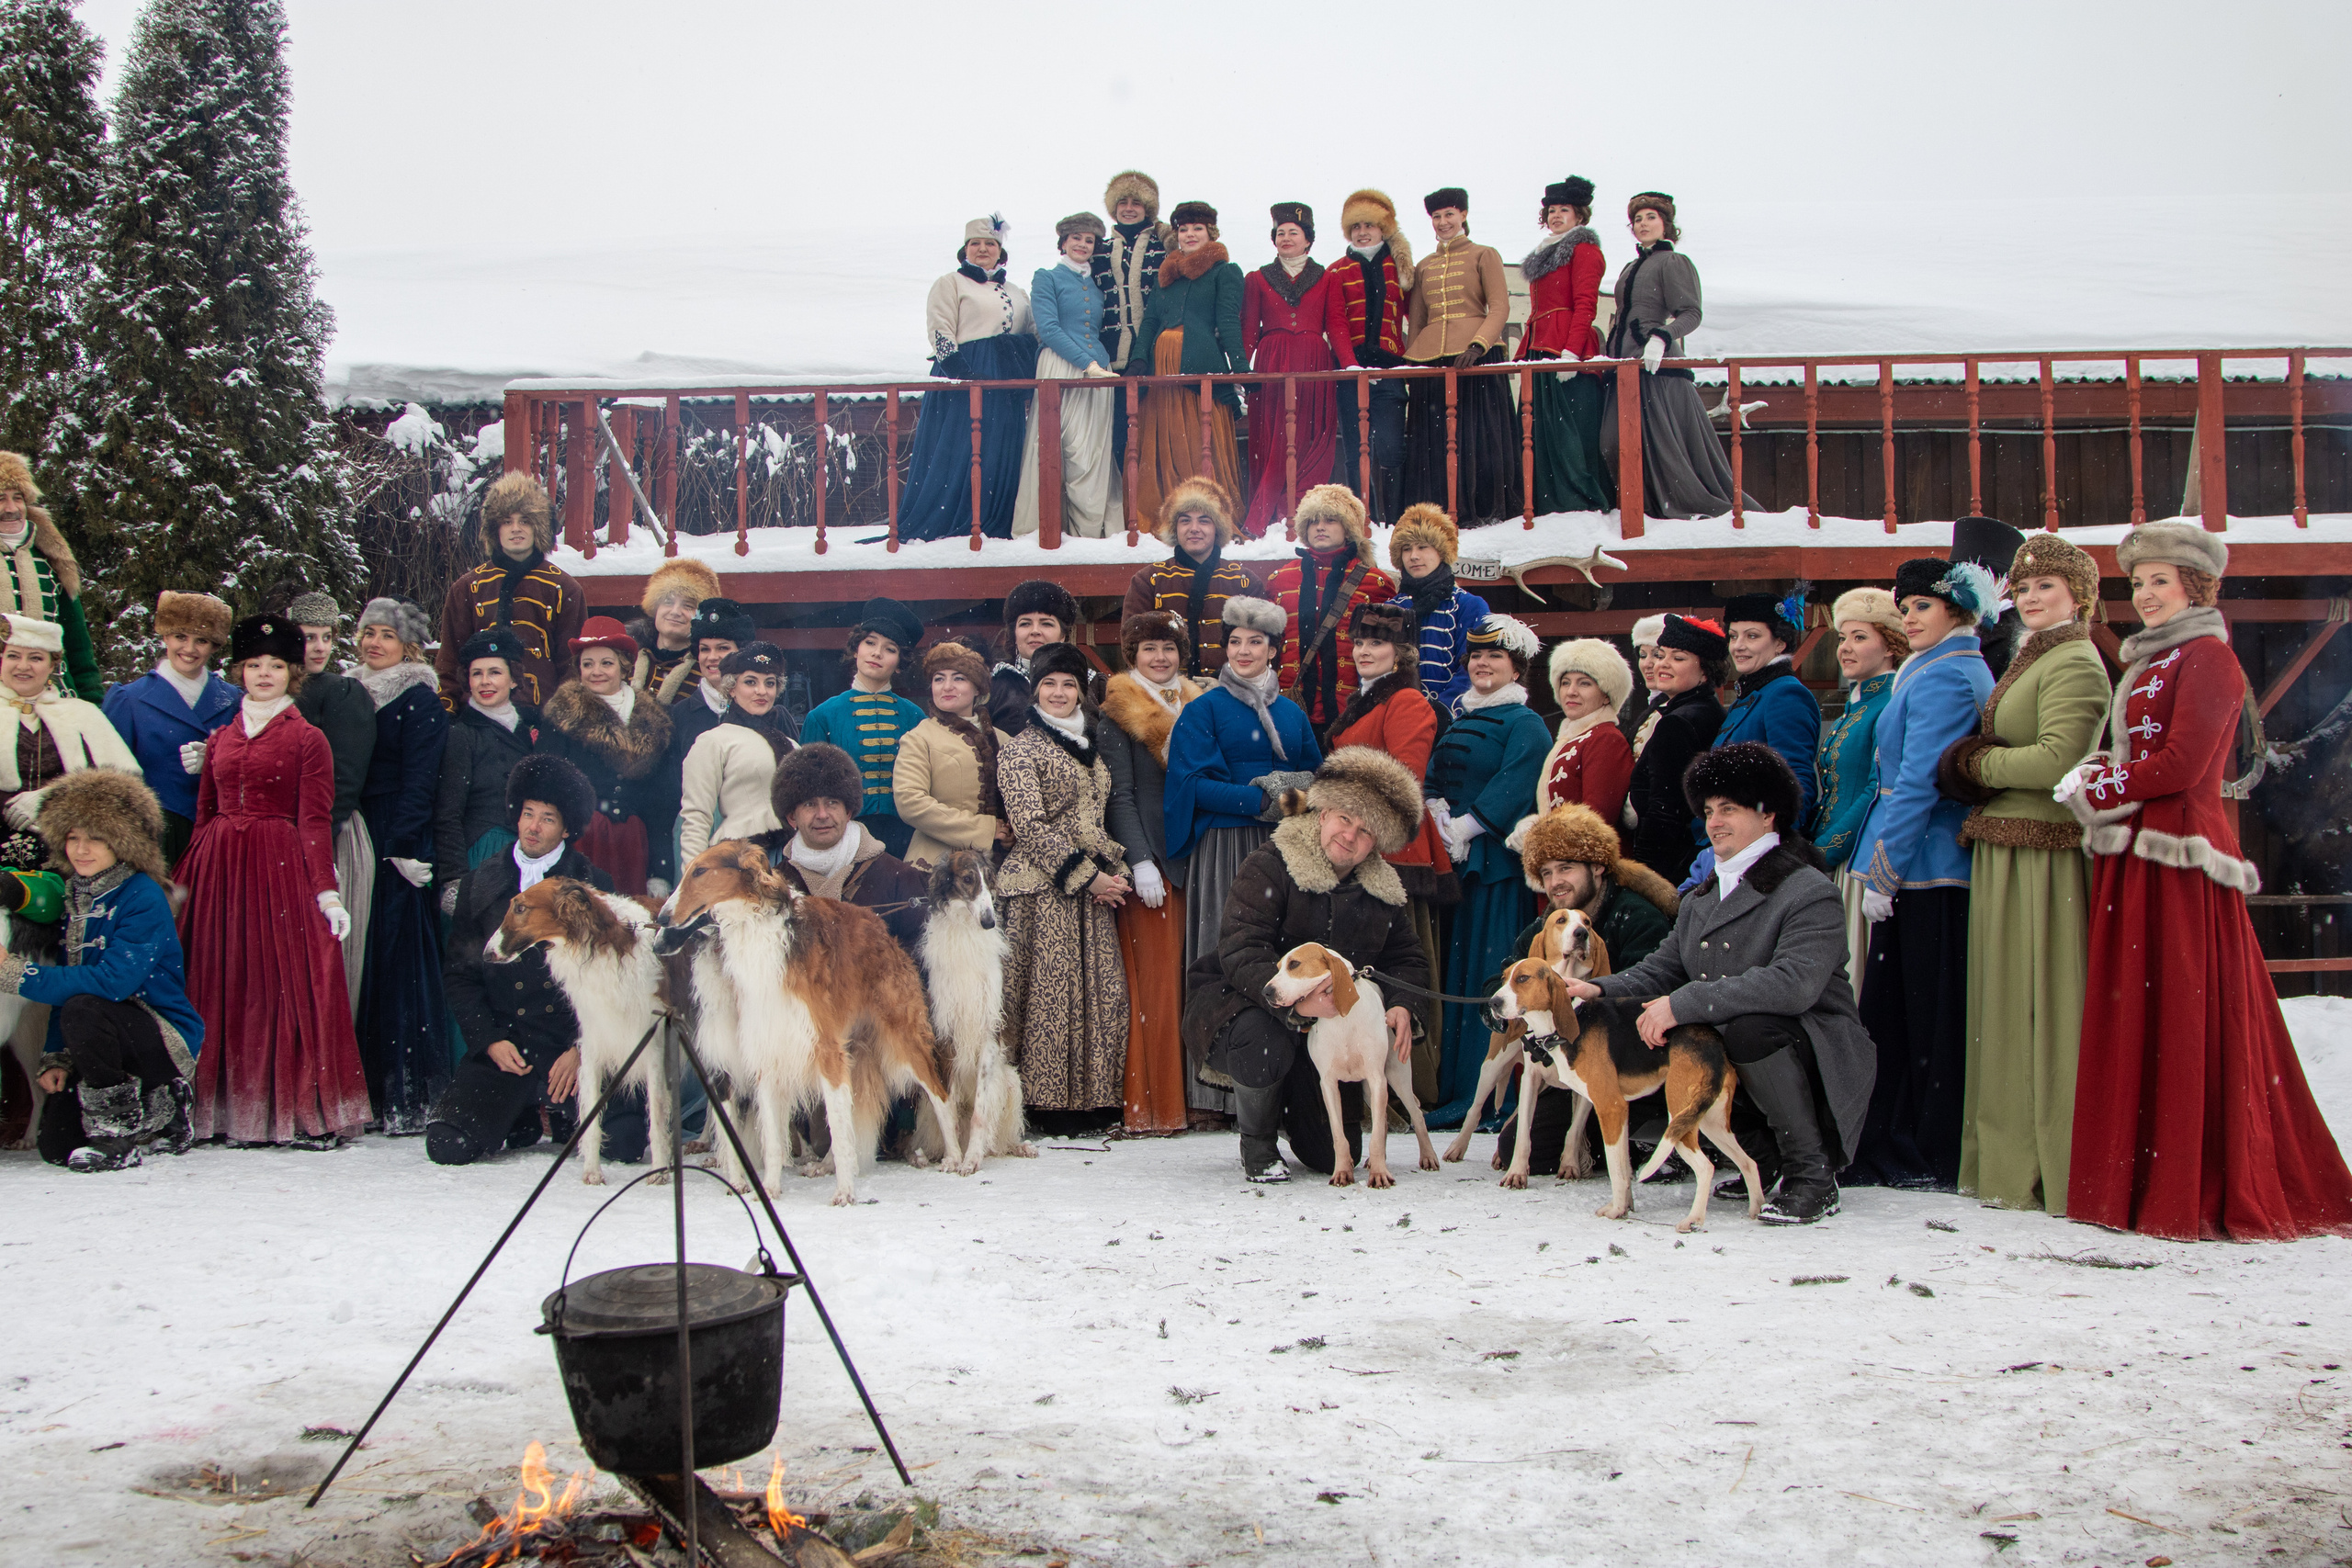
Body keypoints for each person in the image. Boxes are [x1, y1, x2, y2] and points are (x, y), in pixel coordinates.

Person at [2061, 523, 2352, 1240]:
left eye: (2162, 580)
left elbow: (2187, 765)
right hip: (2139, 851)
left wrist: (2100, 789)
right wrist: (2100, 773)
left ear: (2195, 586)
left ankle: (2190, 1179)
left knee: (2186, 1015)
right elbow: (2145, 756)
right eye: (2140, 582)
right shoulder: (2149, 662)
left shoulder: (2212, 659)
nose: (2148, 593)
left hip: (2184, 856)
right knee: (2143, 1011)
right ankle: (2143, 1177)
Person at [1569, 743, 1874, 1224]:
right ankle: (1763, 1155)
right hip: (1735, 1042)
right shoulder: (1702, 898)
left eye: (1729, 809)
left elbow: (1793, 986)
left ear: (1768, 812)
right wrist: (1600, 989)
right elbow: (1664, 967)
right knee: (1677, 1043)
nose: (1714, 822)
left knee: (1748, 1029)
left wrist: (1684, 1003)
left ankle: (1811, 1172)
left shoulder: (1809, 890)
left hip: (1813, 1046)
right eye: (1709, 811)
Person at [1937, 534, 2109, 1215]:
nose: (2034, 597)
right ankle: (2006, 1161)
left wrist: (1975, 765)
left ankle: (2051, 1161)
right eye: (2026, 587)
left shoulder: (2076, 662)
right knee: (2005, 1010)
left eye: (2049, 587)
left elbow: (2054, 762)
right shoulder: (2030, 656)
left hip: (2044, 855)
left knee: (2043, 1009)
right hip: (2008, 848)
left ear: (2079, 597)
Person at [1181, 748, 1429, 1181]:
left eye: (1366, 831)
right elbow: (1241, 948)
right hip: (1248, 1001)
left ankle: (1304, 1113)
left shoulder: (1382, 890)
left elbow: (1406, 959)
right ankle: (1258, 1147)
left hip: (1332, 1033)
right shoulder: (1271, 863)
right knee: (1263, 1041)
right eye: (1344, 819)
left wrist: (1404, 1004)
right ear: (1323, 812)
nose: (1350, 837)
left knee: (1325, 1155)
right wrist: (1298, 1006)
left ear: (1379, 842)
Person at [178, 614, 369, 1148]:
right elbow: (204, 813)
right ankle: (220, 1109)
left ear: (292, 674)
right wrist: (185, 880)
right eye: (254, 665)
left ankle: (304, 1111)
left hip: (279, 867)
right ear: (239, 671)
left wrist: (325, 890)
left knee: (284, 985)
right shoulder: (220, 739)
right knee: (219, 980)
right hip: (218, 870)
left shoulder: (308, 740)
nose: (264, 674)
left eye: (277, 666)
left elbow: (314, 819)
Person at [1847, 557, 1996, 1191]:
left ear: (1958, 610)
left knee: (1921, 1017)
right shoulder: (1934, 667)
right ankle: (1893, 1141)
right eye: (1904, 608)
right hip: (1917, 862)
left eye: (1922, 607)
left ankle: (1917, 1147)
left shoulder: (1949, 676)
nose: (1910, 617)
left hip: (1929, 866)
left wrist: (1886, 870)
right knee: (1897, 1013)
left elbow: (1916, 782)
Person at [428, 754, 645, 1168]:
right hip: (508, 1042)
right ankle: (523, 1110)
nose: (533, 826)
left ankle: (556, 1111)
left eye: (547, 818)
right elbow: (460, 976)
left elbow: (617, 983)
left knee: (624, 1144)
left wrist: (584, 1048)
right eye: (528, 814)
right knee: (447, 1145)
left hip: (573, 1043)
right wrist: (489, 1041)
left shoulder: (593, 884)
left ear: (566, 828)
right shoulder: (480, 882)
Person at [1164, 596, 1323, 1117]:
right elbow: (1190, 783)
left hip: (1281, 850)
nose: (1244, 650)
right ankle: (1216, 1091)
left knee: (1278, 955)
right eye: (1235, 641)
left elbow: (1318, 785)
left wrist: (1289, 799)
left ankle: (1277, 1084)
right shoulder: (1203, 709)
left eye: (1256, 642)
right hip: (1226, 846)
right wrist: (1258, 799)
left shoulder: (1292, 712)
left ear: (1274, 650)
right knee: (1223, 952)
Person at [6, 770, 202, 1169]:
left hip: (159, 1036)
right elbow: (69, 984)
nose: (81, 849)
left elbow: (111, 983)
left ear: (122, 842)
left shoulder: (143, 894)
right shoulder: (78, 894)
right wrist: (57, 1058)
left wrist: (16, 973)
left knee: (85, 1004)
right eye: (73, 837)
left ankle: (119, 1132)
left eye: (95, 838)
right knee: (57, 1147)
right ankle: (158, 1111)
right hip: (99, 1033)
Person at [1490, 802, 1679, 1175]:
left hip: (1632, 1059)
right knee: (1516, 1149)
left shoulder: (1638, 916)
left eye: (1566, 868)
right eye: (1546, 872)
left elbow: (1653, 986)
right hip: (1565, 1065)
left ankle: (1651, 1129)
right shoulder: (1544, 926)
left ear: (1597, 867)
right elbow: (1501, 981)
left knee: (1571, 1135)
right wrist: (1510, 1017)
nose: (1555, 881)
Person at [997, 644, 1131, 1128]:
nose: (1059, 693)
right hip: (1040, 888)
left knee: (1098, 996)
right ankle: (1043, 1106)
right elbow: (1030, 826)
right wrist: (1088, 877)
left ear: (1081, 691)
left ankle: (1094, 1101)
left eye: (1068, 684)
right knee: (1049, 998)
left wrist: (1116, 871)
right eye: (1049, 684)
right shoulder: (1021, 749)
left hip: (1090, 887)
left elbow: (1092, 818)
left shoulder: (1090, 746)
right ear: (1036, 690)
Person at [1325, 602, 1456, 1098]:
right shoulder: (1367, 700)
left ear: (1401, 653)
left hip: (1392, 849)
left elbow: (1405, 781)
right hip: (1360, 845)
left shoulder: (1406, 702)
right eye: (1359, 642)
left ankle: (1411, 1087)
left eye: (1376, 643)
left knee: (1398, 965)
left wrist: (1350, 812)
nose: (1363, 651)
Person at [1424, 614, 1548, 1127]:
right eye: (1476, 656)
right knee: (1461, 971)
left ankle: (1494, 1098)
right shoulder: (1462, 716)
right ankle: (1457, 1090)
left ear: (1516, 668)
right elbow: (1435, 773)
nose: (1483, 664)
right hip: (1457, 864)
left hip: (1495, 866)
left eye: (1495, 656)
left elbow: (1517, 783)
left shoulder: (1526, 724)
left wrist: (1465, 829)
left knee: (1491, 975)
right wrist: (1435, 814)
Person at [349, 598, 451, 1135]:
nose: (375, 644)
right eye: (368, 633)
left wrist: (403, 843)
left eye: (387, 635)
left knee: (395, 954)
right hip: (352, 827)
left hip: (396, 830)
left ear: (407, 645)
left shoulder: (418, 697)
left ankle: (402, 1092)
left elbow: (420, 777)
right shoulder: (347, 689)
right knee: (357, 952)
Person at [1098, 610, 1203, 1134]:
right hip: (1154, 865)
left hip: (1199, 859)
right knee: (1158, 989)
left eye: (1169, 648)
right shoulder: (1119, 712)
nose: (1160, 658)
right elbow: (1120, 795)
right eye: (1148, 649)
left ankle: (1201, 1098)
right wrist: (1138, 859)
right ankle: (1158, 1104)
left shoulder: (1200, 704)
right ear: (1132, 657)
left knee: (1195, 982)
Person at [1597, 193, 1749, 520]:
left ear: (1666, 223)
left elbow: (1691, 313)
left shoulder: (1673, 262)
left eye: (1650, 217)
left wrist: (1662, 337)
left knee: (1664, 449)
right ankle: (1646, 510)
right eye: (1637, 219)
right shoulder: (1630, 266)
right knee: (1612, 443)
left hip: (1657, 367)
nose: (1643, 224)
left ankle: (1683, 508)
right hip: (1622, 366)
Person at [898, 216, 1040, 543]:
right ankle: (954, 523)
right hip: (964, 377)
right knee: (962, 449)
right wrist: (964, 376)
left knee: (1000, 450)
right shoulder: (950, 283)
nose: (982, 249)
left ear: (1000, 251)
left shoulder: (1016, 291)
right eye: (975, 243)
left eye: (990, 244)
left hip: (1005, 384)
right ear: (965, 249)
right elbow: (940, 331)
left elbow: (1033, 332)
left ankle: (995, 520)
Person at [1807, 588, 1908, 993]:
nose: (1845, 648)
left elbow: (1877, 787)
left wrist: (1827, 849)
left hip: (1857, 861)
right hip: (1832, 859)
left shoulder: (1889, 703)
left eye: (1860, 637)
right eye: (1843, 638)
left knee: (1851, 978)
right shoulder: (1858, 704)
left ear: (1891, 646)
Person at [1240, 202, 1359, 538]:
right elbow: (1249, 329)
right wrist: (1239, 369)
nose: (1286, 238)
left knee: (1313, 437)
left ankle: (1302, 513)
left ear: (1308, 240)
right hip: (1272, 365)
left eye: (1294, 232)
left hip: (1313, 365)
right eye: (1280, 233)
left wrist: (1350, 363)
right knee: (1275, 439)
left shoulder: (1327, 278)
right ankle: (1269, 514)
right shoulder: (1257, 278)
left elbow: (1336, 324)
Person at [1400, 188, 1519, 525]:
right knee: (1433, 440)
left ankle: (1479, 509)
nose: (1442, 222)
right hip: (1432, 361)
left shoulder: (1485, 254)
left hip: (1474, 358)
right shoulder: (1424, 265)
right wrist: (1413, 359)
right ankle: (1437, 510)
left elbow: (1499, 307)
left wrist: (1479, 345)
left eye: (1449, 214)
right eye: (1436, 217)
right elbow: (1419, 321)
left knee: (1476, 436)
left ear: (1463, 215)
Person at [286, 591, 379, 1015]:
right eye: (308, 637)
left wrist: (319, 840)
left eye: (326, 636)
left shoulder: (343, 693)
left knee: (331, 949)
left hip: (332, 831)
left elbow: (345, 777)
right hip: (283, 832)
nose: (319, 647)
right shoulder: (272, 691)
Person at [1127, 200, 1247, 525]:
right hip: (1161, 367)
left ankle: (1210, 516)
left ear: (1211, 233)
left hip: (1199, 365)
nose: (1190, 235)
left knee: (1198, 443)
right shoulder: (1167, 275)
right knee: (1161, 444)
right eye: (1183, 229)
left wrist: (1241, 367)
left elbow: (1228, 321)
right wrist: (1138, 359)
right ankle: (1168, 517)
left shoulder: (1225, 271)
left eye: (1198, 229)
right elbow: (1150, 321)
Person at [542, 616, 677, 897]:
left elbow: (661, 805)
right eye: (587, 664)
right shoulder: (561, 717)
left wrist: (659, 872)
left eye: (606, 663)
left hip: (633, 845)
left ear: (624, 666)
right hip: (580, 843)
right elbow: (548, 791)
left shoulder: (656, 721)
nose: (596, 672)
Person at [102, 591, 236, 867]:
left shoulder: (234, 700)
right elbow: (112, 782)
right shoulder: (129, 699)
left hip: (218, 834)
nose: (189, 649)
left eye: (201, 641)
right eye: (180, 637)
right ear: (164, 637)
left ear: (214, 646)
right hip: (155, 836)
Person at [756, 743, 930, 954]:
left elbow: (919, 960)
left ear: (848, 811)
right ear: (792, 817)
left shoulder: (899, 878)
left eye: (832, 802)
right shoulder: (777, 885)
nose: (822, 814)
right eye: (810, 804)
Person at [1014, 213, 1124, 539]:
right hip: (1061, 366)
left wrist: (1100, 365)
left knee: (1092, 454)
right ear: (1063, 242)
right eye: (1076, 238)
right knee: (1060, 447)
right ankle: (1049, 530)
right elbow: (1048, 329)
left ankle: (1088, 534)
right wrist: (1085, 364)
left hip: (1099, 372)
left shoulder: (1098, 283)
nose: (1082, 244)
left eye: (1089, 240)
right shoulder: (1047, 277)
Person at [435, 471, 583, 707]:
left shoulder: (564, 588)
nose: (516, 528)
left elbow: (572, 667)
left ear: (539, 527)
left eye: (525, 520)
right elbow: (450, 661)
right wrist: (450, 714)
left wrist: (562, 720)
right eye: (507, 521)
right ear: (495, 529)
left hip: (543, 716)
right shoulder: (467, 588)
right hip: (478, 718)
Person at [799, 598, 926, 858]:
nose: (877, 653)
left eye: (889, 649)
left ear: (900, 662)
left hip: (906, 836)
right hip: (844, 837)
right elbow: (808, 792)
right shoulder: (822, 716)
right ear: (856, 649)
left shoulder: (915, 717)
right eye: (870, 643)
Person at [1264, 484, 1396, 734]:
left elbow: (1390, 653)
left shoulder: (1375, 583)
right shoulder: (1280, 579)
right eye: (1313, 521)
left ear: (1348, 528)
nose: (1320, 526)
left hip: (1353, 712)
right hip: (1289, 707)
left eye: (1330, 519)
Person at [1520, 178, 1611, 513]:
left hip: (1566, 353)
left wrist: (1571, 353)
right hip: (1539, 349)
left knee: (1571, 437)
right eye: (1552, 210)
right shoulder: (1545, 252)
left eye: (1564, 210)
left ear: (1579, 216)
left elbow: (1586, 305)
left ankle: (1581, 506)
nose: (1556, 215)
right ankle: (1548, 505)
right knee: (1540, 435)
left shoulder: (1585, 251)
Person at [433, 626, 543, 904]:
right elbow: (448, 813)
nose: (485, 682)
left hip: (528, 851)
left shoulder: (530, 728)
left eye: (495, 672)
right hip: (481, 852)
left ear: (514, 679)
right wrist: (454, 878)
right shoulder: (462, 734)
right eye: (476, 674)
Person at [1326, 190, 1416, 523]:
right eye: (1356, 226)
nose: (1363, 232)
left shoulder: (1401, 268)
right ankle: (1363, 518)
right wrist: (1353, 365)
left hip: (1391, 369)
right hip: (1351, 372)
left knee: (1392, 447)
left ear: (1384, 228)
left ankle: (1395, 519)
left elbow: (1413, 317)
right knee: (1354, 450)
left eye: (1370, 225)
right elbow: (1336, 322)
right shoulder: (1336, 271)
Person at [1623, 614, 1728, 884]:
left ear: (1705, 670)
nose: (1662, 665)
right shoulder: (1706, 710)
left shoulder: (1679, 722)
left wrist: (1642, 876)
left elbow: (1664, 811)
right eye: (1660, 655)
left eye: (1678, 658)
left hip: (1672, 865)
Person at [1712, 590, 1823, 841]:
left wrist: (1775, 847)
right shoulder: (1754, 693)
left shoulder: (1785, 695)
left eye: (1752, 636)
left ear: (1780, 643)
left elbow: (1796, 779)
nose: (1738, 646)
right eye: (1733, 636)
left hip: (1758, 846)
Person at [1121, 477, 1257, 679]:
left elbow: (1260, 646)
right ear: (1175, 527)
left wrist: (1226, 685)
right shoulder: (1148, 580)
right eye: (1185, 520)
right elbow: (1132, 646)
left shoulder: (1244, 580)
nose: (1194, 528)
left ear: (1217, 528)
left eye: (1204, 520)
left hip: (1232, 696)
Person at [894, 639, 1010, 871]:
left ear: (977, 687)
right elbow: (910, 802)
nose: (947, 687)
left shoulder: (1005, 740)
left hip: (1000, 869)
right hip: (936, 866)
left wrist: (1010, 833)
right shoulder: (919, 738)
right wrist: (985, 830)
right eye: (939, 679)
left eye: (958, 678)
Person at [677, 642, 795, 859]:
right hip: (738, 860)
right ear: (731, 688)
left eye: (770, 683)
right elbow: (697, 817)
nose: (762, 691)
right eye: (750, 682)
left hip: (793, 858)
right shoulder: (713, 741)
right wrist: (696, 880)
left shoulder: (791, 745)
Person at [0, 454, 100, 700]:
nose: (11, 509)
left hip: (54, 700)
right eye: (1, 499)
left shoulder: (51, 558)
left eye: (18, 498)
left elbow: (78, 646)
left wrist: (93, 703)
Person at [1385, 502, 1489, 715]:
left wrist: (1440, 713)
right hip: (1399, 719)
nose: (1414, 556)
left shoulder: (1469, 606)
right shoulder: (1389, 609)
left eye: (1422, 547)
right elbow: (1375, 670)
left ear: (1442, 551)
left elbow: (1474, 668)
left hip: (1454, 724)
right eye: (1407, 548)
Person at [1525, 637, 1635, 829]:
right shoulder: (1574, 738)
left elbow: (1597, 820)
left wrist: (1541, 835)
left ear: (1606, 696)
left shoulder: (1606, 739)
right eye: (1566, 683)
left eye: (1584, 683)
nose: (1571, 691)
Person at [1092, 170, 1173, 376]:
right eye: (1123, 202)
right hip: (1109, 355)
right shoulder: (1099, 251)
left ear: (1147, 209)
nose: (1129, 208)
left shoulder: (1165, 249)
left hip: (1157, 351)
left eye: (1136, 203)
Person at [669, 596, 760, 764]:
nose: (712, 657)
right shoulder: (678, 715)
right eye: (705, 649)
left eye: (722, 648)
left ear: (742, 652)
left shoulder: (765, 709)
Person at [989, 579, 1080, 738]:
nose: (1035, 631)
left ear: (1063, 635)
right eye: (1025, 624)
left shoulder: (1092, 685)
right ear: (1014, 634)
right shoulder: (992, 684)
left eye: (1046, 624)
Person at [625, 558, 723, 702]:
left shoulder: (707, 672)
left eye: (688, 605)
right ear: (655, 607)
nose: (675, 611)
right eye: (668, 602)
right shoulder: (626, 660)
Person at [1621, 613, 1668, 751]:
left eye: (1657, 654)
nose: (1647, 663)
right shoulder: (1655, 705)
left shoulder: (1679, 707)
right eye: (1642, 655)